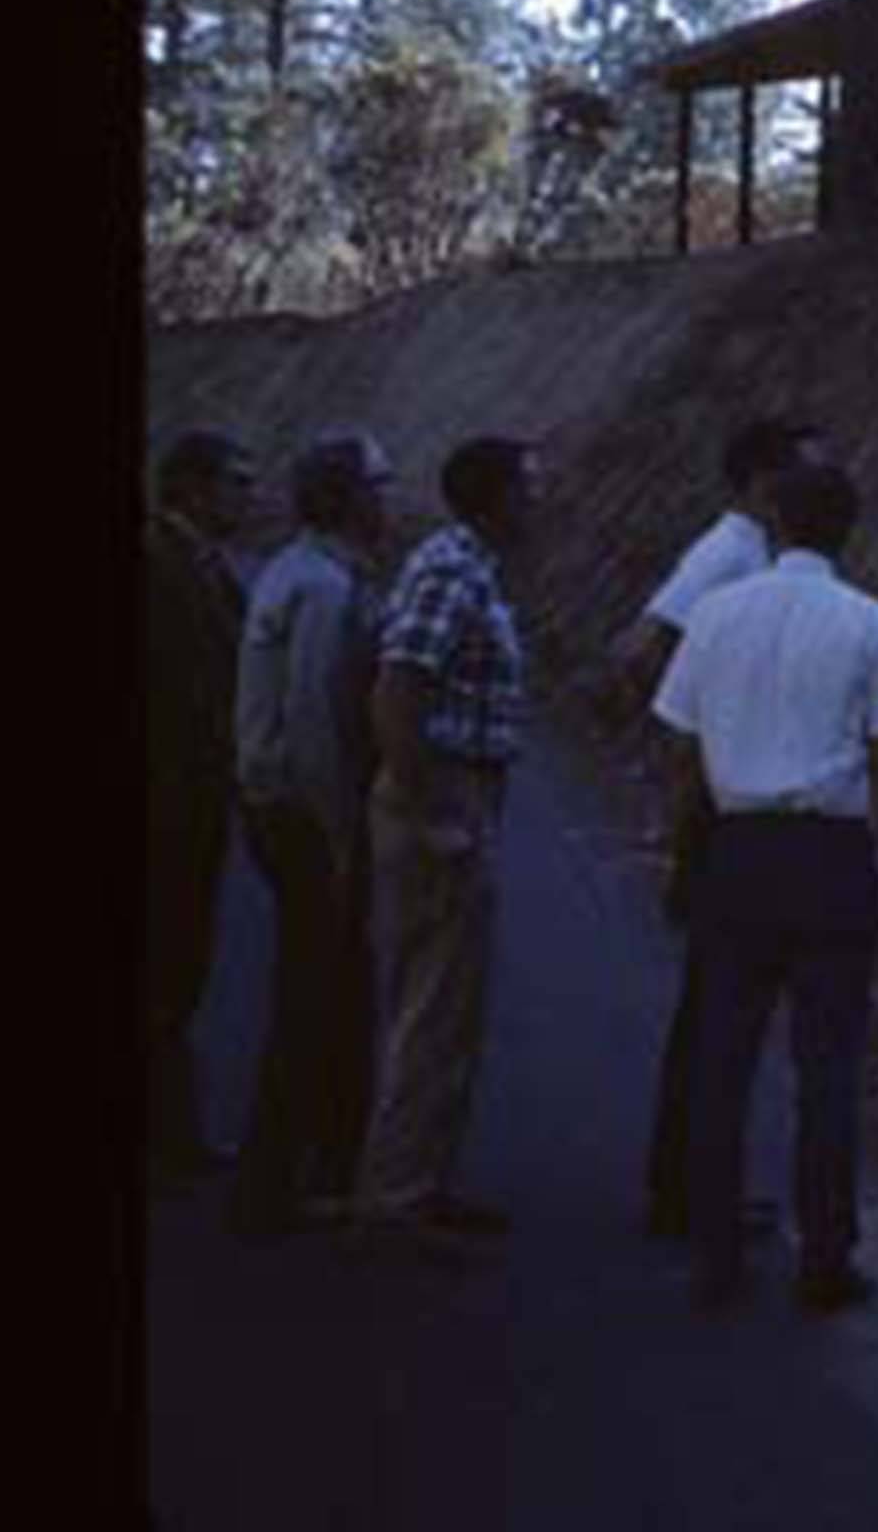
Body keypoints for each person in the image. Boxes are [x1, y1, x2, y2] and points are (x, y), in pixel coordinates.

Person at [653, 459, 878, 1312]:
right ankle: (824, 1253)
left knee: (722, 1060)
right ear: (849, 530)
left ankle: (714, 1254)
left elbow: (682, 755)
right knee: (829, 1065)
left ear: (771, 520)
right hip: (830, 857)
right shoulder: (873, 625)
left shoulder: (714, 617)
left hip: (738, 851)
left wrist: (683, 856)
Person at [626, 415, 828, 1240]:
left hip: (724, 799)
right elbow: (641, 649)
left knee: (718, 1007)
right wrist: (705, 747)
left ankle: (690, 1184)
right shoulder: (731, 556)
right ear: (764, 480)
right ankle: (687, 1192)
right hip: (725, 809)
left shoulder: (748, 554)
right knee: (720, 1010)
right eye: (808, 474)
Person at [351, 435, 540, 1252]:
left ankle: (419, 1184)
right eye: (531, 488)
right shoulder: (450, 572)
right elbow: (395, 699)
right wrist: (437, 816)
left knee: (448, 1004)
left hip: (462, 788)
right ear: (495, 497)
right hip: (443, 790)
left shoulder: (468, 567)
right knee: (432, 1005)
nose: (542, 502)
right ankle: (395, 1201)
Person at [226, 430, 394, 1242]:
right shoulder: (322, 588)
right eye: (378, 485)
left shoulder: (313, 574)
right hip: (305, 818)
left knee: (328, 991)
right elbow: (315, 723)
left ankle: (322, 1161)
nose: (388, 498)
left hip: (289, 813)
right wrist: (338, 839)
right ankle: (275, 1182)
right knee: (311, 997)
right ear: (343, 497)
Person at [143, 427, 256, 1185]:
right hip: (166, 799)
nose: (247, 496)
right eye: (234, 482)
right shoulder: (155, 564)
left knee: (182, 964)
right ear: (188, 486)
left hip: (198, 795)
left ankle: (174, 1135)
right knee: (163, 964)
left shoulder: (208, 564)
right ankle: (166, 1141)